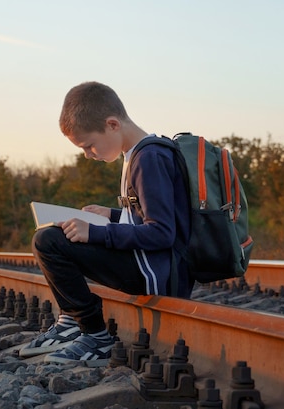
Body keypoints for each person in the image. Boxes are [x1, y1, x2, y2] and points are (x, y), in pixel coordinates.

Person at [19, 81, 192, 366]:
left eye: (89, 145)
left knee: (48, 242)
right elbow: (146, 218)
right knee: (53, 235)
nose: (89, 154)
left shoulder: (148, 158)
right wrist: (111, 215)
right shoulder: (137, 154)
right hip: (149, 264)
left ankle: (93, 335)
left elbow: (162, 233)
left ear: (112, 124)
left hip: (155, 273)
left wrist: (97, 233)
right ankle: (69, 322)